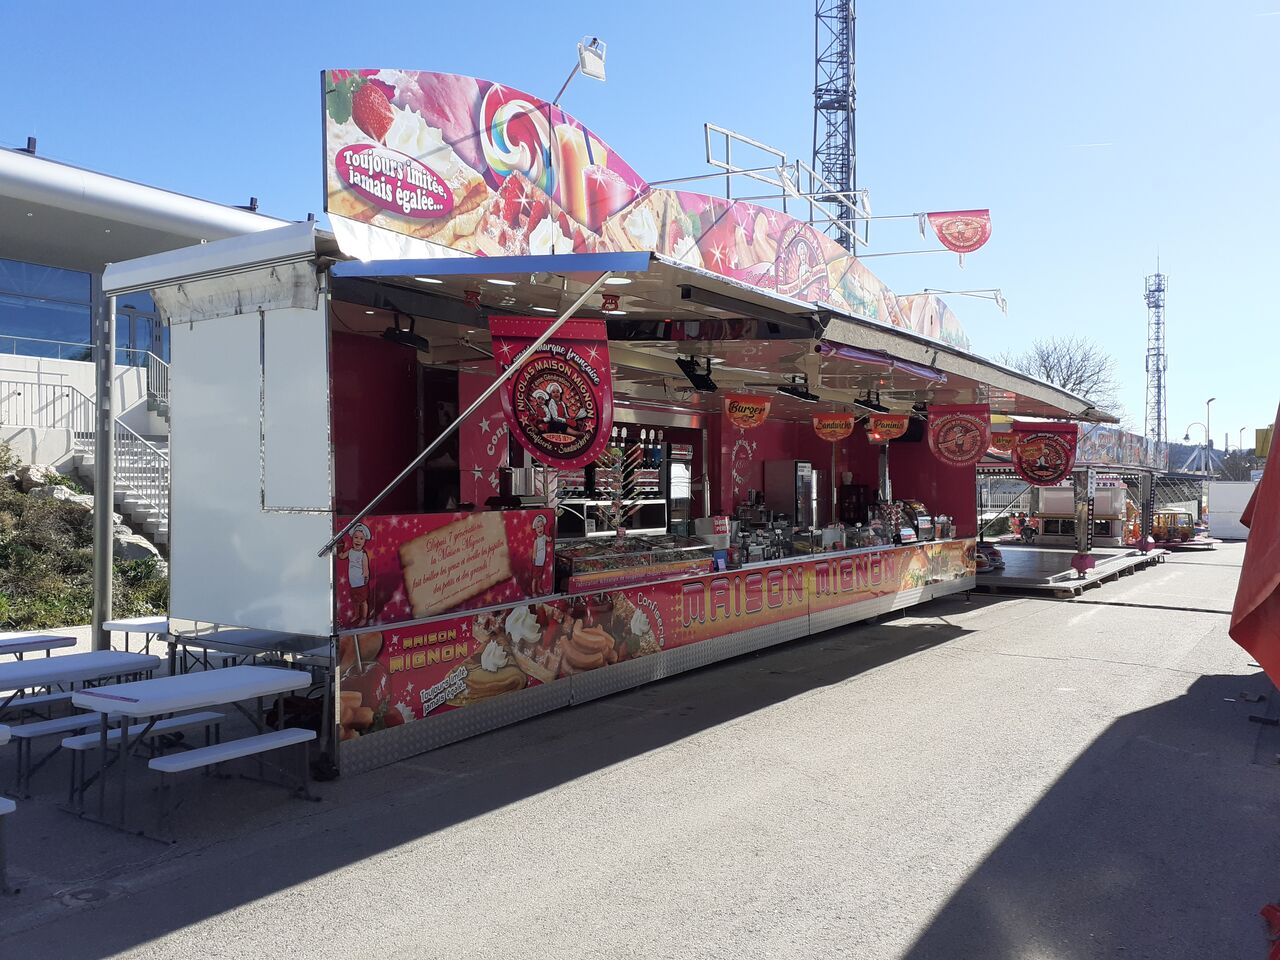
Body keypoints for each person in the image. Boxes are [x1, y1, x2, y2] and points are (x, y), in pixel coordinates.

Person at [338, 523, 373, 625]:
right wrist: (339, 547)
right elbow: (341, 556)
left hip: (361, 583)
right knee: (355, 601)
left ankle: (363, 618)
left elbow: (365, 568)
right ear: (352, 538)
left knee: (363, 601)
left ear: (364, 541)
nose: (358, 540)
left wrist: (366, 576)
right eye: (356, 537)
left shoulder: (363, 554)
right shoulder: (350, 551)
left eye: (361, 538)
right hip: (353, 583)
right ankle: (357, 615)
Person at [531, 513, 550, 595]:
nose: (540, 528)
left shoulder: (544, 536)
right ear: (535, 529)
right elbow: (534, 551)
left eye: (541, 526)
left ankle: (538, 588)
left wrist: (551, 536)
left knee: (539, 577)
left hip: (542, 562)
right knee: (535, 578)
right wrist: (534, 559)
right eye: (537, 527)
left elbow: (549, 539)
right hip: (537, 562)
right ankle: (533, 591)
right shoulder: (536, 540)